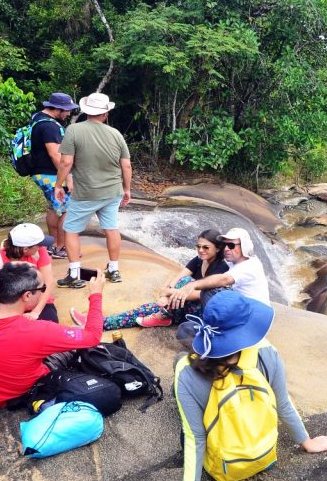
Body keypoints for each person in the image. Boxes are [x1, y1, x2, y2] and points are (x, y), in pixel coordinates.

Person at [158, 291, 327, 481]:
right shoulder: (267, 352)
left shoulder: (187, 372)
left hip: (224, 467)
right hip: (265, 454)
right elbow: (283, 403)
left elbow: (195, 437)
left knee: (180, 360)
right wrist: (307, 442)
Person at [0, 263, 106, 409]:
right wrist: (96, 295)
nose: (44, 292)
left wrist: (14, 266)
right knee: (76, 334)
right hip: (18, 394)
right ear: (27, 295)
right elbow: (92, 337)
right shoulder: (38, 331)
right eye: (42, 288)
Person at [70, 229, 229, 330]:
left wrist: (169, 293)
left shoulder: (221, 268)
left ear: (218, 248)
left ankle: (165, 316)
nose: (201, 250)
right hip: (179, 303)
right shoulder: (199, 259)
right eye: (198, 246)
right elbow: (181, 274)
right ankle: (98, 323)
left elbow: (199, 295)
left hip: (197, 314)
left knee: (186, 285)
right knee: (144, 309)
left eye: (206, 247)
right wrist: (167, 290)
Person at [54, 92, 131, 288]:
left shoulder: (74, 130)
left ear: (86, 111)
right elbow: (126, 166)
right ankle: (114, 270)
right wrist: (127, 189)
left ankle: (74, 274)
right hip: (112, 191)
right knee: (111, 229)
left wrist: (58, 185)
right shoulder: (116, 134)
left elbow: (66, 162)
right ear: (105, 113)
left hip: (86, 193)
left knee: (70, 230)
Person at [28, 92, 79, 258]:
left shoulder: (37, 119)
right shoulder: (50, 126)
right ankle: (61, 247)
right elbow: (56, 155)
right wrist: (67, 177)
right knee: (68, 210)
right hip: (51, 173)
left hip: (41, 172)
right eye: (67, 110)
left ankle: (53, 244)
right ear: (57, 109)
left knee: (54, 208)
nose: (69, 113)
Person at [168, 227, 270, 307]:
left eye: (231, 246)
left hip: (250, 313)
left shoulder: (249, 265)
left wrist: (192, 285)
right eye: (225, 245)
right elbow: (184, 274)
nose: (226, 249)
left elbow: (224, 279)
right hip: (239, 307)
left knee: (212, 291)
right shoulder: (232, 261)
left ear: (244, 246)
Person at [0, 223, 59, 322]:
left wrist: (36, 312)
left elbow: (48, 282)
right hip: (8, 306)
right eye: (39, 244)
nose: (42, 246)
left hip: (36, 301)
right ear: (25, 249)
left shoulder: (40, 251)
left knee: (50, 324)